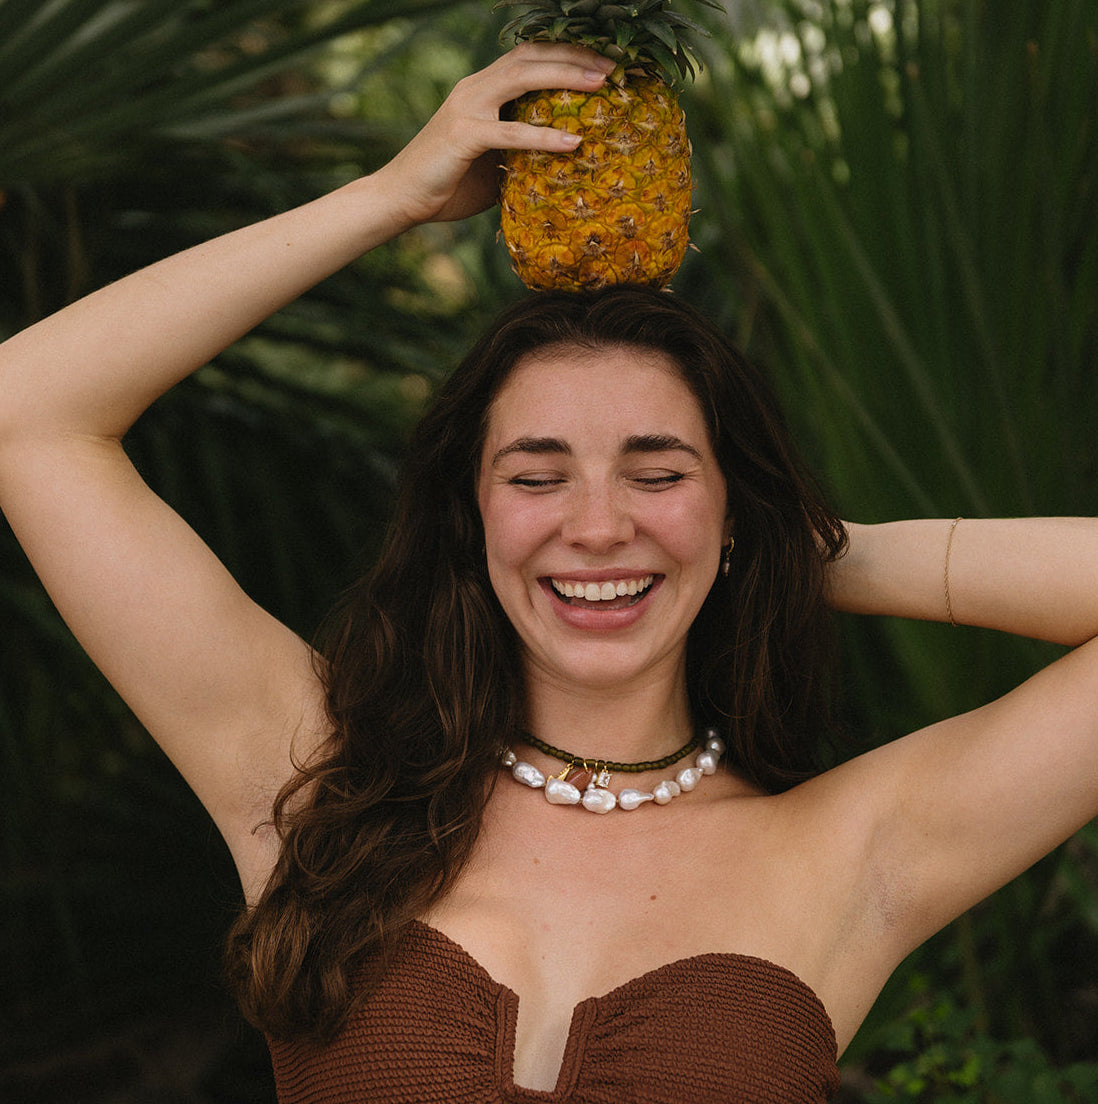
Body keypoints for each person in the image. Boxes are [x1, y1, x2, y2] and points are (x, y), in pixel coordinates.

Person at [1, 43, 1096, 1104]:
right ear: (468, 517)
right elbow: (27, 419)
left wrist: (785, 551)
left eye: (657, 473)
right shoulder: (309, 778)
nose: (599, 525)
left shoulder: (856, 853)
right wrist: (389, 198)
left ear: (731, 506)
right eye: (537, 477)